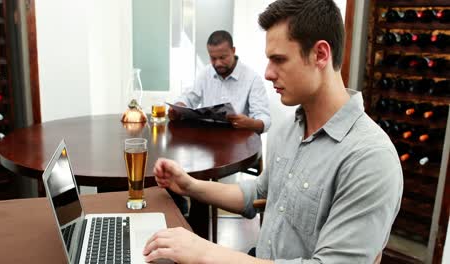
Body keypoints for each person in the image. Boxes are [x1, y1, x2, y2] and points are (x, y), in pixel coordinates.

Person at [143, 0, 403, 263]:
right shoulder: (290, 129)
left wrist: (204, 252)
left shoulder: (370, 159)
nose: (267, 73)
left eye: (279, 60)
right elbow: (260, 192)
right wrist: (190, 185)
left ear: (321, 55)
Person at [169, 30, 271, 134]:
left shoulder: (252, 78)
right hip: (209, 139)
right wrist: (179, 106)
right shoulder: (206, 72)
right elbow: (189, 97)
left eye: (223, 57)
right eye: (213, 58)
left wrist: (250, 123)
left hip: (240, 142)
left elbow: (264, 118)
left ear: (233, 50)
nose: (218, 63)